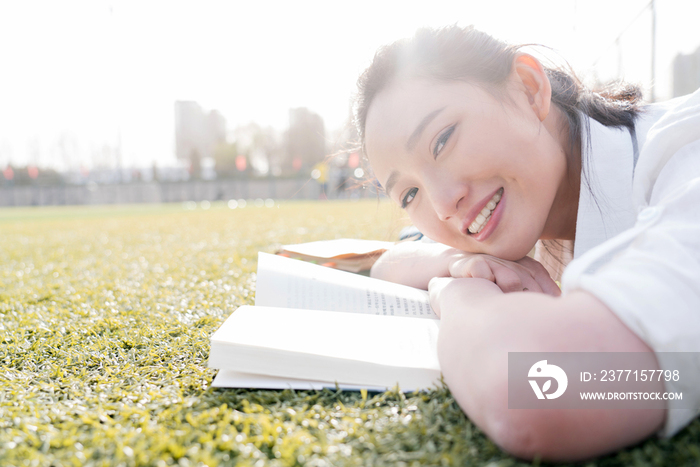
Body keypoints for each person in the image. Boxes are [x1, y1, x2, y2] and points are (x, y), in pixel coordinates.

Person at [354, 25, 700, 461]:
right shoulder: (528, 202)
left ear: (529, 88)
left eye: (442, 140)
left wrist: (458, 292)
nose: (442, 204)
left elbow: (540, 394)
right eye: (409, 194)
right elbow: (394, 262)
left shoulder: (687, 156)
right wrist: (451, 260)